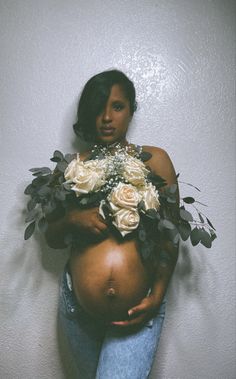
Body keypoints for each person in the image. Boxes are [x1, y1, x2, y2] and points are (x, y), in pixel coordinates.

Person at [45, 69, 179, 379]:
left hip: (137, 309)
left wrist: (157, 294)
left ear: (131, 110)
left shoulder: (155, 160)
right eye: (99, 107)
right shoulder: (69, 167)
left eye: (117, 106)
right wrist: (72, 219)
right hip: (78, 312)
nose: (107, 116)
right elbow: (52, 236)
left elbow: (171, 236)